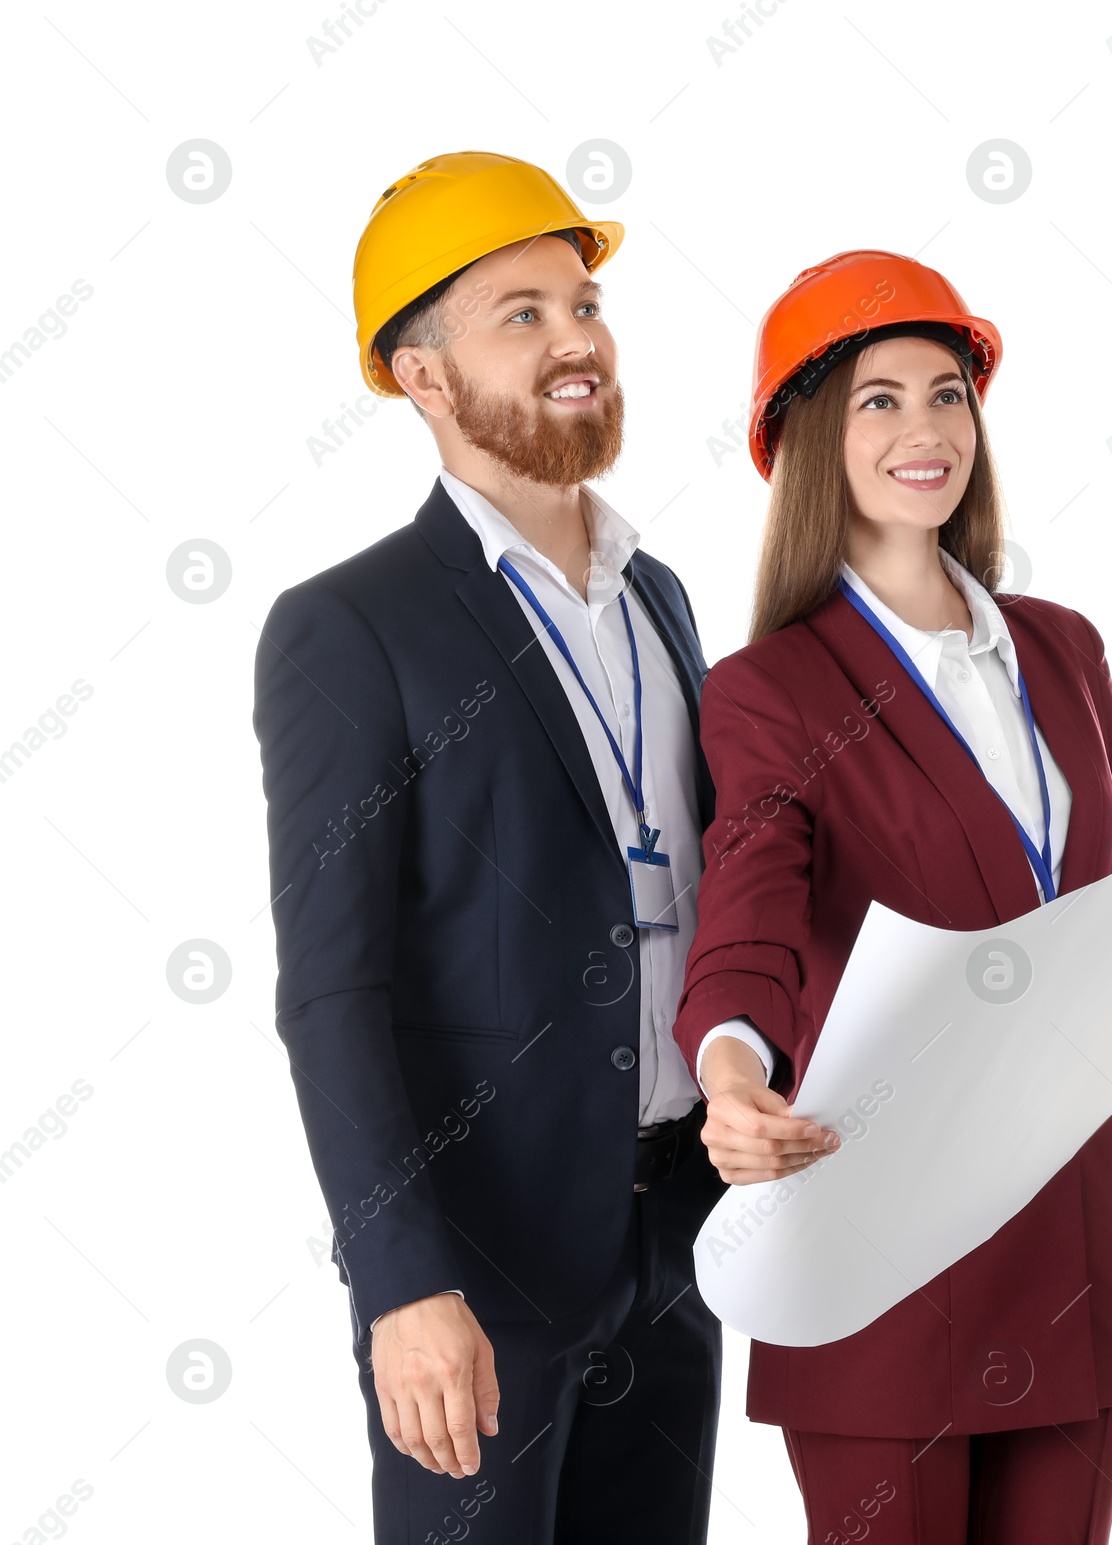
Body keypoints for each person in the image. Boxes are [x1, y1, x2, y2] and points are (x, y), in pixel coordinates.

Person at [672, 249, 1112, 1545]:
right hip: (882, 1260)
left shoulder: (1059, 646)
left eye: (946, 393)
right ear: (811, 438)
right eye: (878, 399)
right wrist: (732, 1072)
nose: (924, 429)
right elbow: (752, 903)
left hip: (1069, 1248)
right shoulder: (770, 689)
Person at [253, 151, 725, 1545]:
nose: (576, 335)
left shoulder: (664, 598)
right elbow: (331, 994)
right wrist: (401, 1283)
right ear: (421, 374)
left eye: (582, 302)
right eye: (520, 313)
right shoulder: (352, 628)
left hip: (682, 1236)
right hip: (479, 1268)